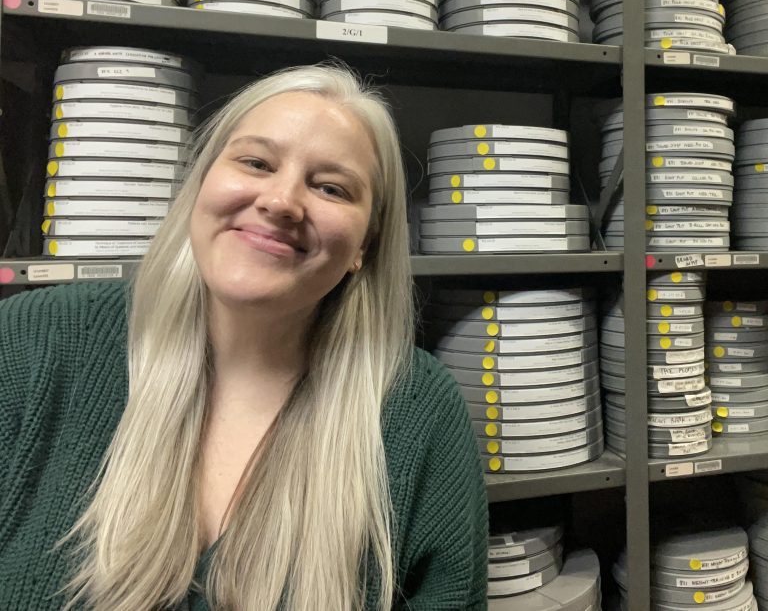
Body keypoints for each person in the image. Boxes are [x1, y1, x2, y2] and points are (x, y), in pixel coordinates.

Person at [0, 64, 489, 610]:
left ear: (363, 248)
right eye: (255, 162)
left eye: (331, 187)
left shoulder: (419, 412)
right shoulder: (36, 340)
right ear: (201, 185)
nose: (281, 202)